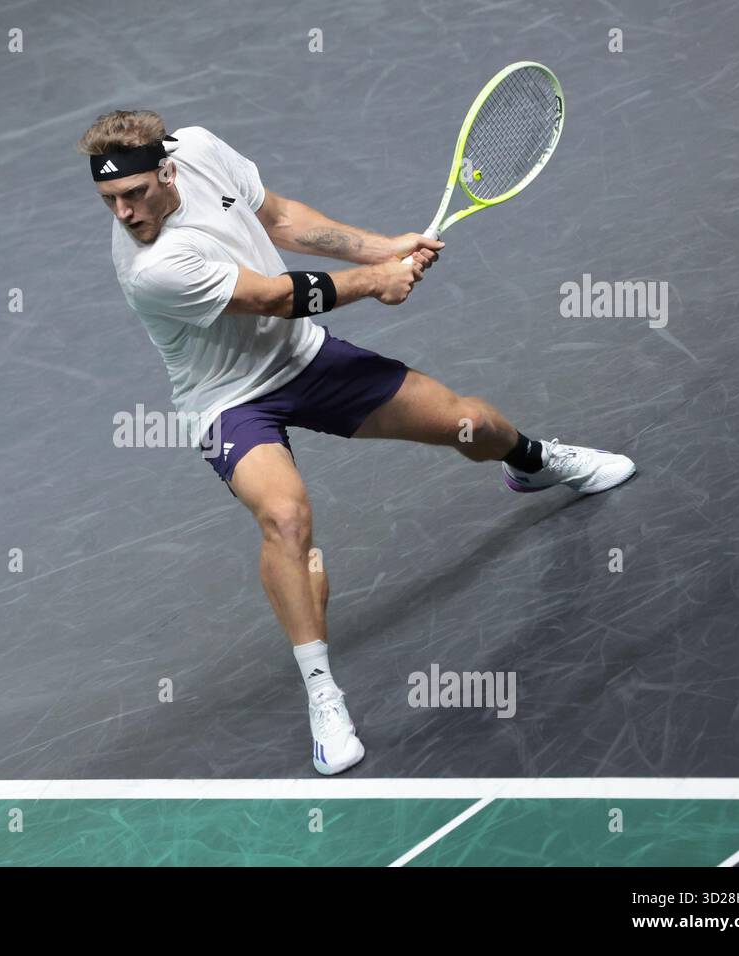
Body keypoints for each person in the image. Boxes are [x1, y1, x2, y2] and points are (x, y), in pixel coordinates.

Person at [79, 110, 635, 775]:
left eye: (135, 193)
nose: (124, 212)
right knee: (284, 516)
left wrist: (378, 248)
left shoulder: (198, 148)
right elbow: (274, 297)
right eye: (110, 200)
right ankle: (323, 693)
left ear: (167, 168)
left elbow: (280, 218)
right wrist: (377, 283)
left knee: (469, 423)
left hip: (303, 362)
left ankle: (536, 464)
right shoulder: (150, 267)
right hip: (228, 402)